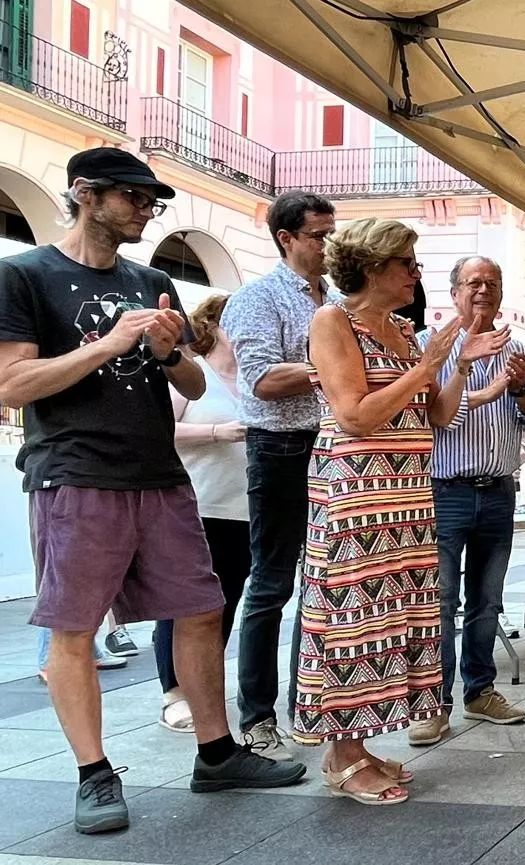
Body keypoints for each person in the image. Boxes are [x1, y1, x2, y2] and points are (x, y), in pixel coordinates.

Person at [0, 147, 306, 834]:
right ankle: (94, 774)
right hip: (76, 475)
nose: (147, 210)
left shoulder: (149, 279)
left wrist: (168, 352)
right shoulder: (23, 275)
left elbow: (194, 380)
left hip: (162, 478)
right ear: (86, 193)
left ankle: (217, 753)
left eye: (152, 202)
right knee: (74, 630)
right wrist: (108, 346)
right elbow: (12, 384)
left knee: (201, 608)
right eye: (134, 198)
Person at [296, 218, 503, 804]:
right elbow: (355, 415)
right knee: (351, 621)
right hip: (356, 496)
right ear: (372, 267)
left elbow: (437, 415)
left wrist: (458, 365)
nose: (416, 273)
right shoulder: (332, 320)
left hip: (406, 498)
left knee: (387, 623)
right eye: (406, 263)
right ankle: (342, 756)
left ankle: (357, 747)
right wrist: (428, 365)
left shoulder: (405, 331)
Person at [410, 256, 525, 745]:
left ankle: (480, 692)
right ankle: (434, 705)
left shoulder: (518, 350)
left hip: (498, 491)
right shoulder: (433, 346)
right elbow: (435, 416)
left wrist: (521, 390)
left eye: (492, 283)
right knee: (440, 602)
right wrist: (485, 387)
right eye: (473, 283)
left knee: (487, 601)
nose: (483, 291)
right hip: (446, 491)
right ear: (454, 293)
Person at [221, 190, 339, 761]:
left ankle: (309, 708)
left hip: (332, 446)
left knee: (325, 585)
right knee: (271, 585)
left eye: (332, 235)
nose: (328, 246)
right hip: (279, 447)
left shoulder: (336, 299)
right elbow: (262, 379)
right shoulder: (256, 298)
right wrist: (334, 365)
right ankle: (257, 716)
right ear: (286, 238)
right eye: (319, 236)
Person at [152, 294, 251, 733]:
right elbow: (161, 429)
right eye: (238, 322)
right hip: (197, 505)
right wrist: (216, 432)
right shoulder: (193, 374)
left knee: (224, 602)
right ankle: (173, 693)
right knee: (181, 603)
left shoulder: (252, 380)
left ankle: (202, 686)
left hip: (244, 509)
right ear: (215, 326)